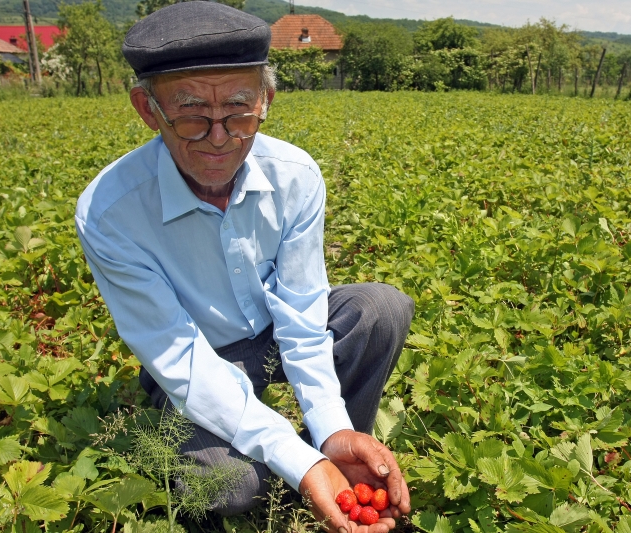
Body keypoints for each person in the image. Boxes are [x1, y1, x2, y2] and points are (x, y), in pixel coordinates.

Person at [74, 2, 414, 532]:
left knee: (380, 308)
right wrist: (299, 464)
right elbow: (181, 359)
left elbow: (301, 314)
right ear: (147, 108)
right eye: (190, 115)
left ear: (267, 100)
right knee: (230, 487)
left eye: (239, 111)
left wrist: (327, 429)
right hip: (192, 361)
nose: (218, 138)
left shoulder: (295, 176)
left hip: (271, 337)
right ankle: (298, 469)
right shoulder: (111, 212)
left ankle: (339, 453)